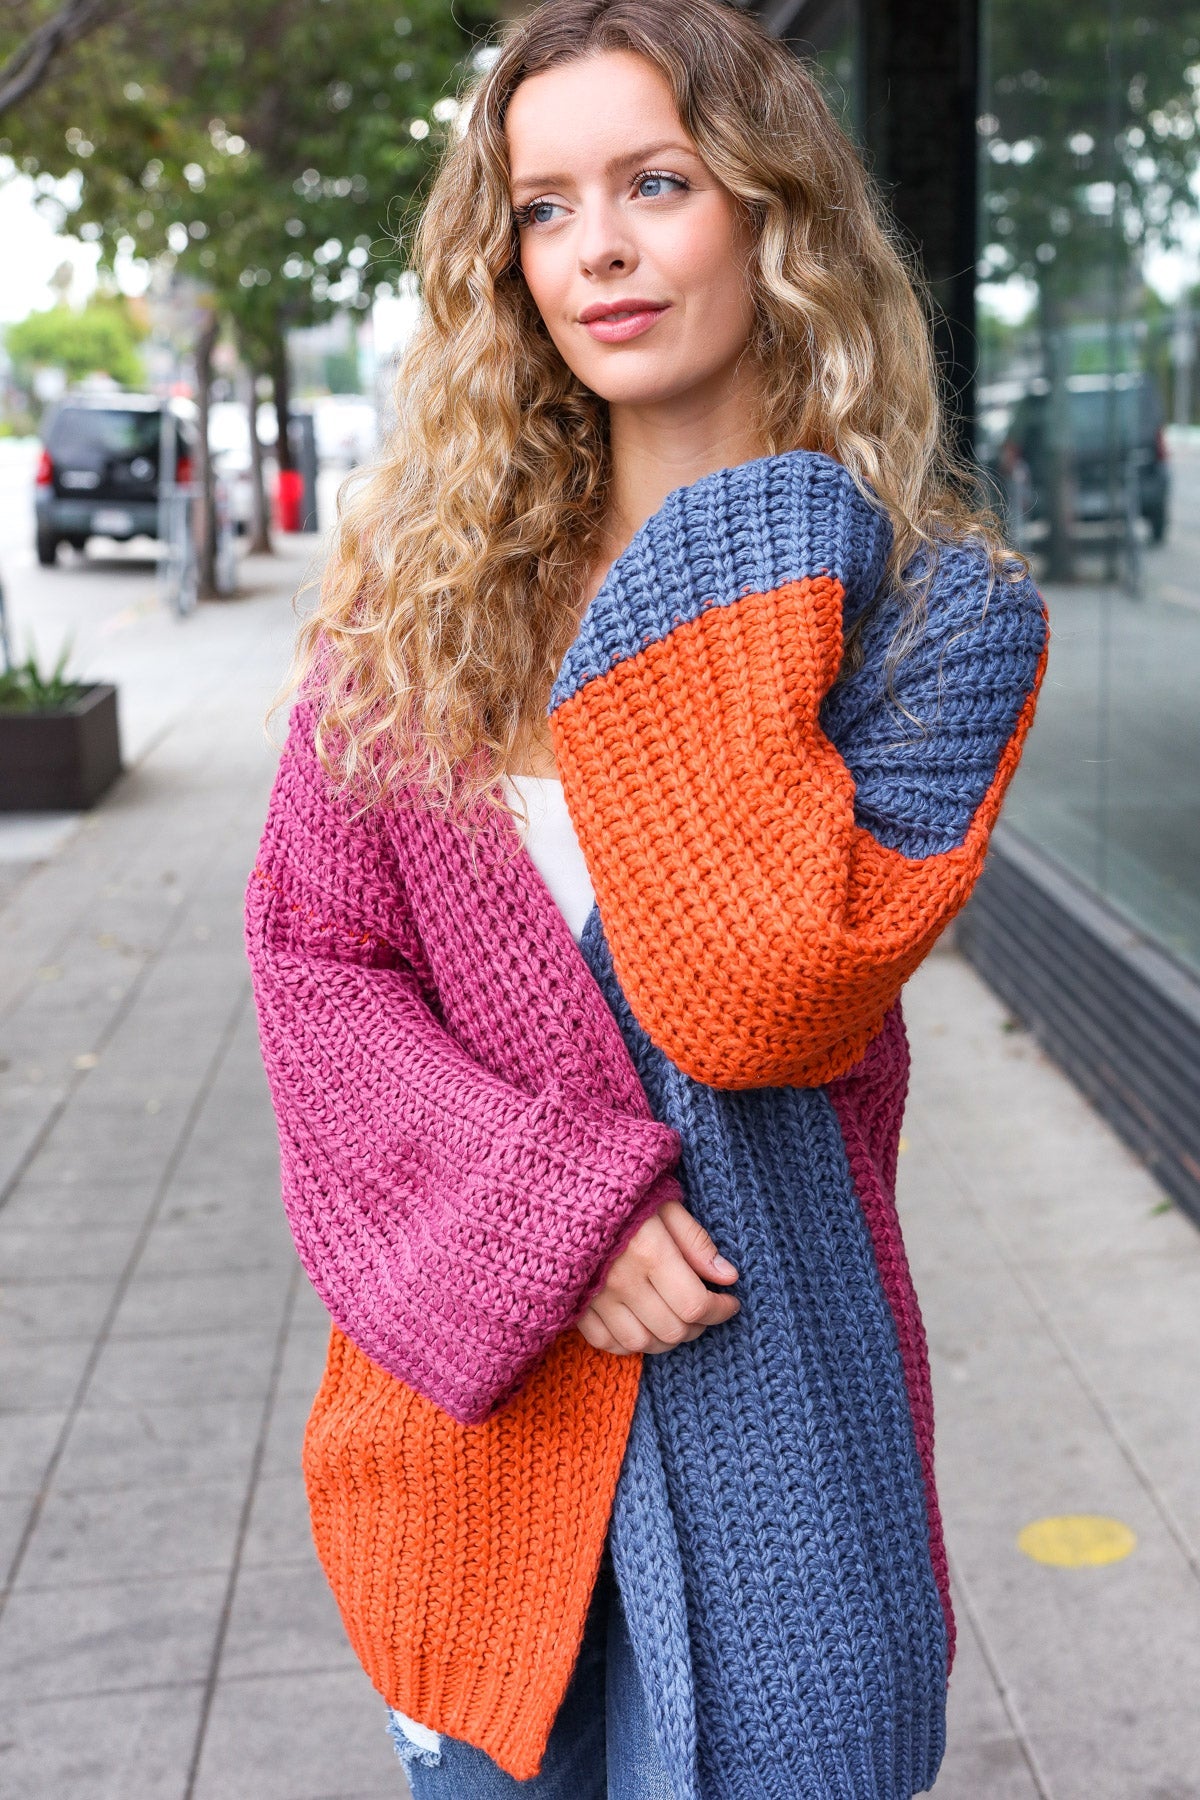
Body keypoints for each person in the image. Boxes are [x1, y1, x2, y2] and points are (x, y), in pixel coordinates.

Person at [244, 1, 1049, 1795]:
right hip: (472, 1455)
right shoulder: (422, 607)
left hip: (784, 1463)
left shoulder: (938, 627)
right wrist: (555, 1219)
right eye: (543, 206)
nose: (596, 247)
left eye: (658, 183)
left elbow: (753, 992)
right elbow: (318, 964)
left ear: (777, 216)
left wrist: (740, 537)